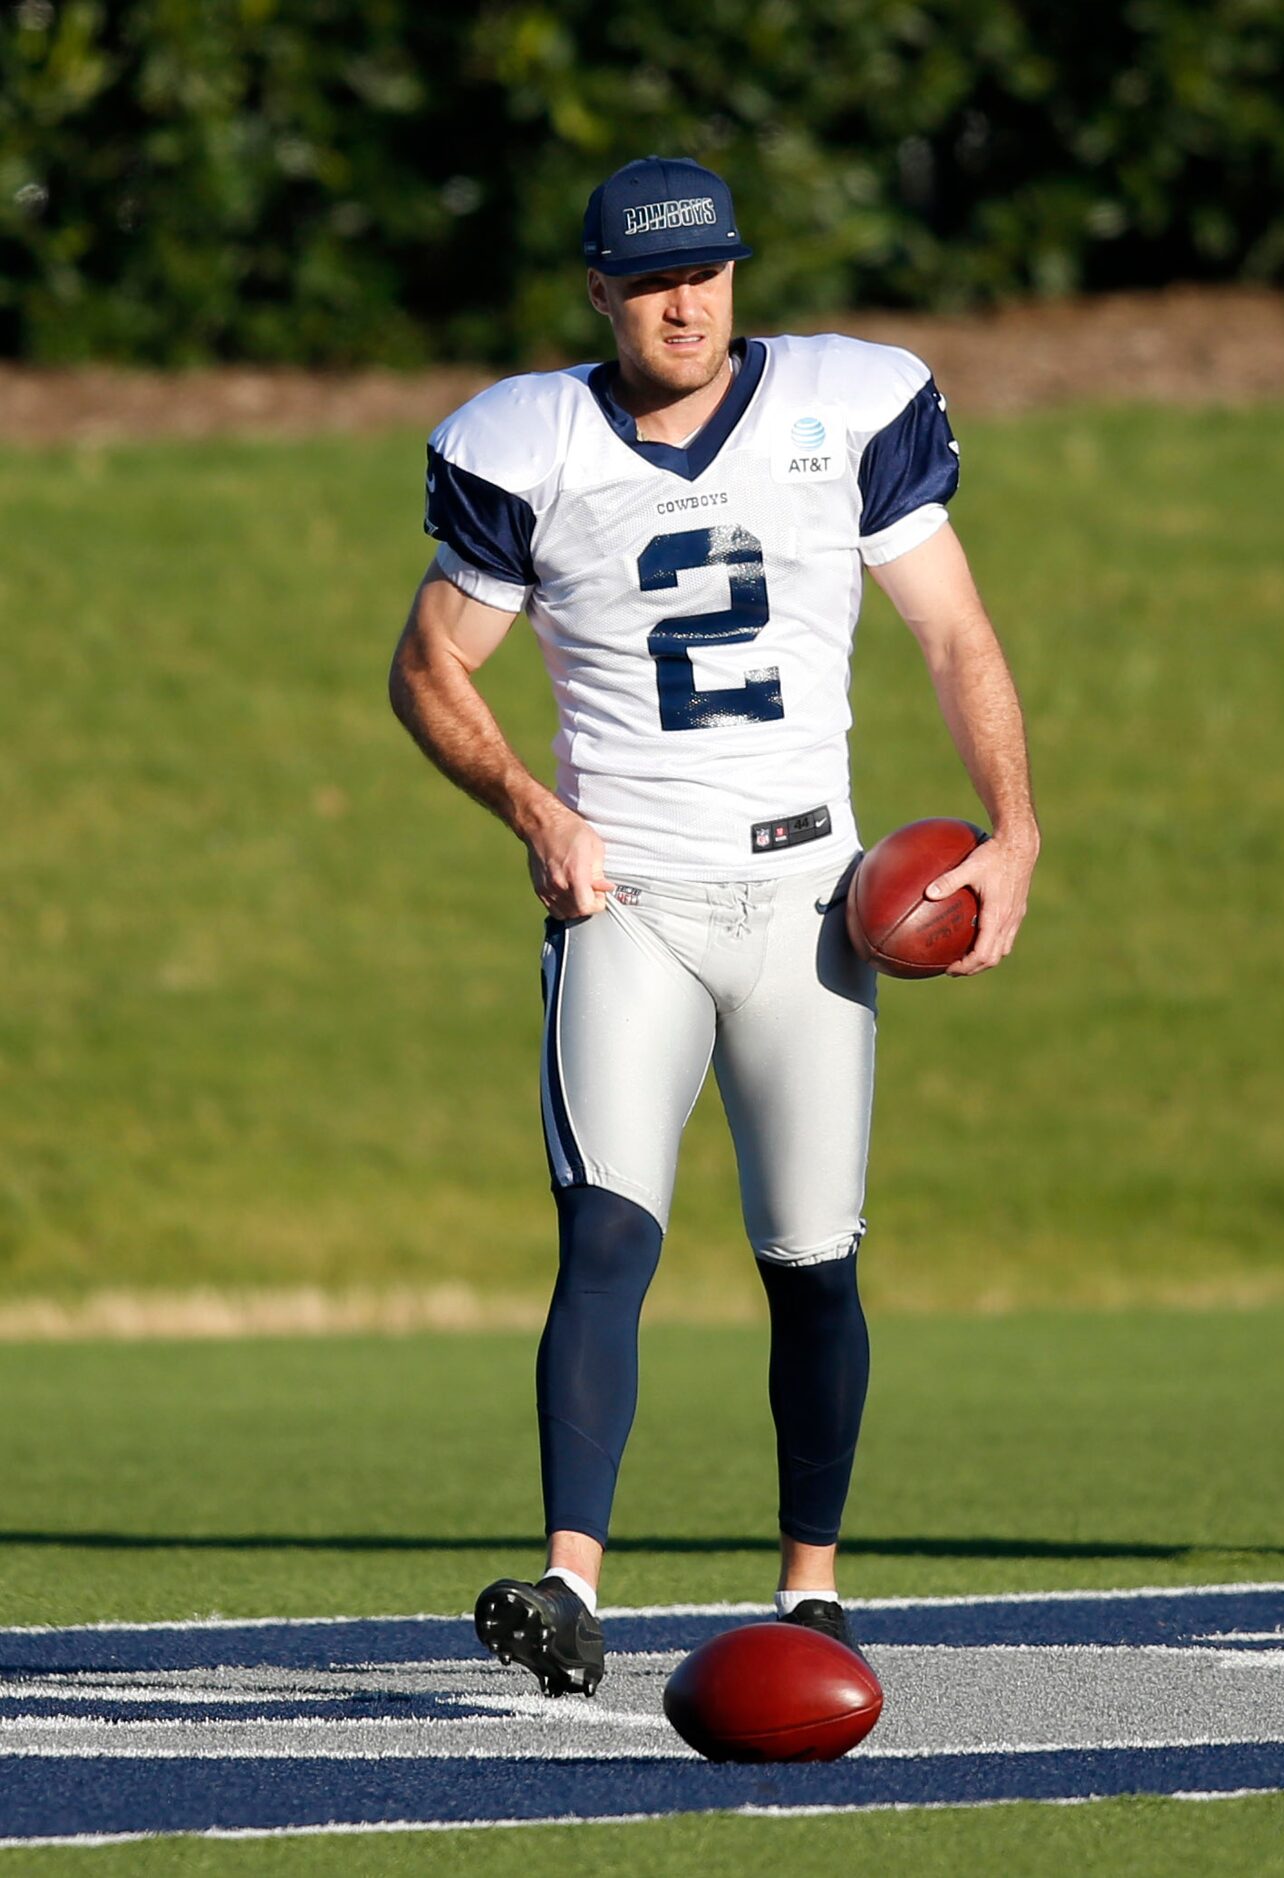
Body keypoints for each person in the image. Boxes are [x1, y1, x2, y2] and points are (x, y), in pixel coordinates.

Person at [389, 156, 1039, 1697]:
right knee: (604, 1228)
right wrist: (535, 812)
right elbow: (429, 665)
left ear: (736, 273)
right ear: (601, 291)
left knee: (812, 1256)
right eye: (653, 280)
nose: (687, 303)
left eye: (709, 272)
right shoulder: (527, 440)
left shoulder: (848, 407)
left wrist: (1012, 828)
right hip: (633, 900)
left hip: (814, 899)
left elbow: (953, 631)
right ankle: (566, 1584)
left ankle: (808, 1589)